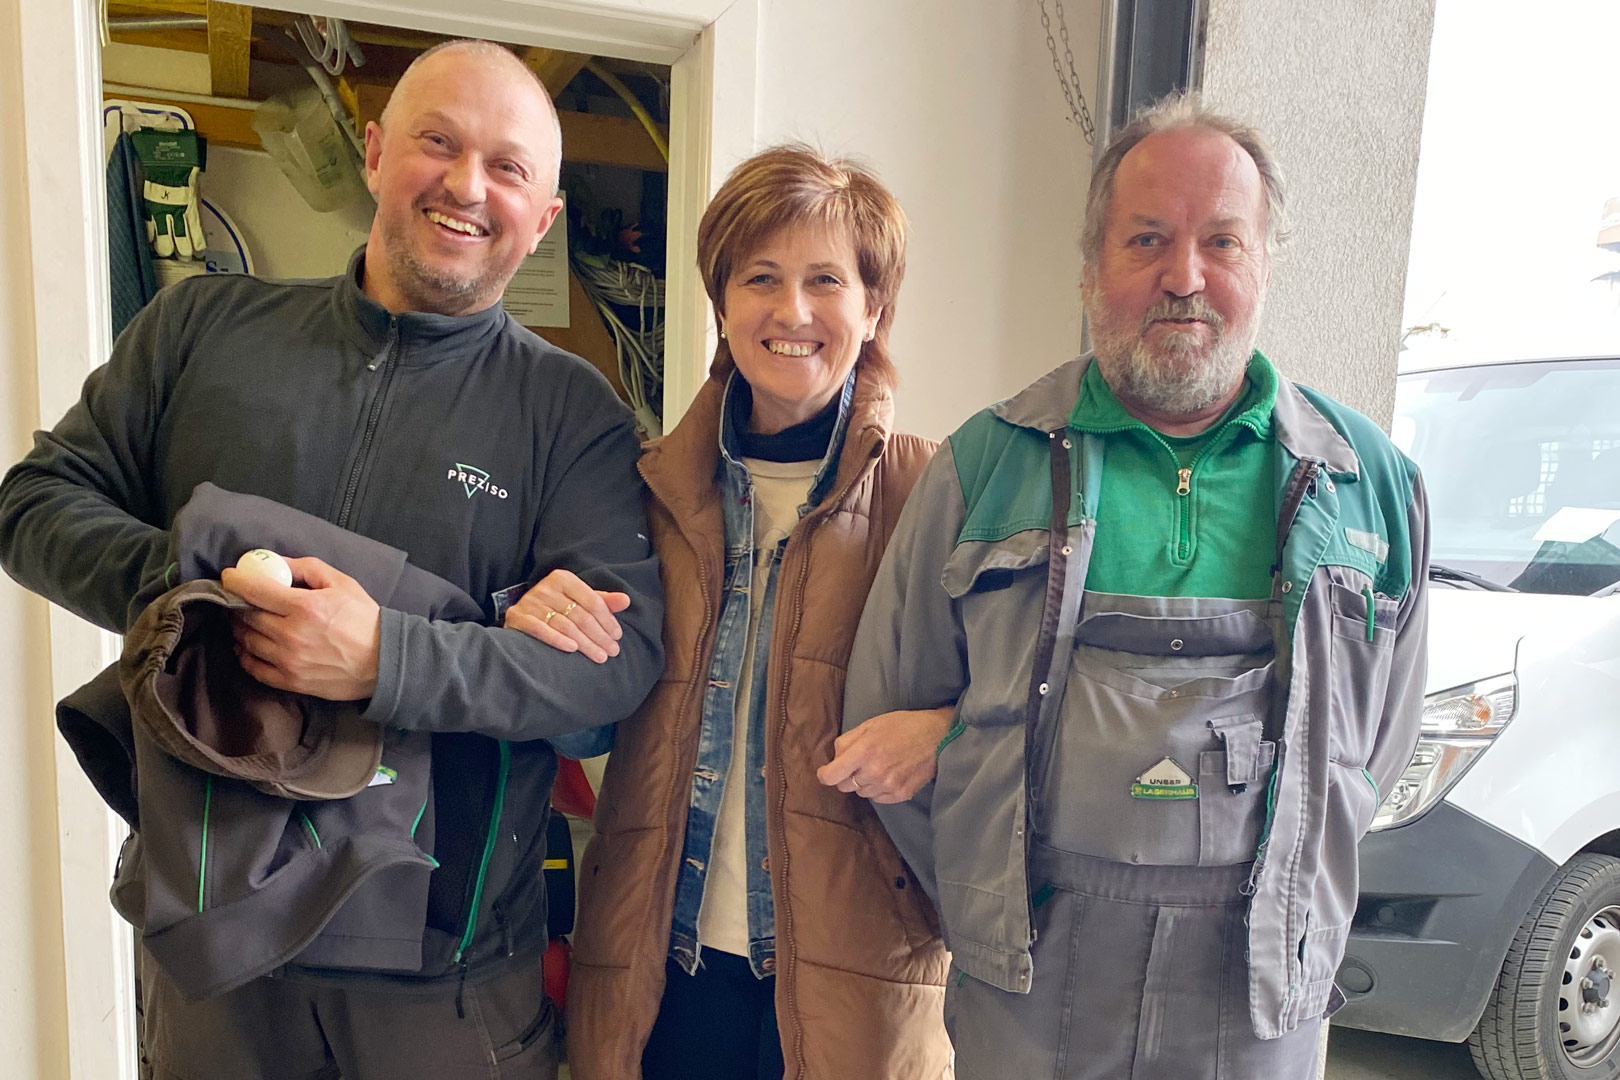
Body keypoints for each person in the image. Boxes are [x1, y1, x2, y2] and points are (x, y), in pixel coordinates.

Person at [0, 40, 663, 1080]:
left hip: (447, 982)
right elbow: (33, 502)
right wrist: (209, 596)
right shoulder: (200, 328)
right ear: (375, 151)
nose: (466, 186)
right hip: (213, 952)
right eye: (438, 142)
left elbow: (611, 673)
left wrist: (386, 656)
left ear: (543, 218)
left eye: (507, 167)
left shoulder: (576, 416)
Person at [844, 93, 1431, 1079]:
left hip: (1259, 988)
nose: (1184, 278)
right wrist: (987, 897)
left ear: (1265, 265)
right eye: (1147, 239)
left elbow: (1374, 749)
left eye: (1222, 242)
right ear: (1090, 268)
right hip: (1030, 986)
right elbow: (890, 732)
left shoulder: (1370, 486)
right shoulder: (985, 466)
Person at [505, 145, 953, 1079]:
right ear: (721, 302)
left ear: (874, 309)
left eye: (826, 280)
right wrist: (536, 624)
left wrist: (947, 731)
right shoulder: (642, 489)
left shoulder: (937, 491)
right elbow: (584, 717)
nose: (792, 311)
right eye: (761, 278)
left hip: (858, 981)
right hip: (662, 971)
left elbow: (1031, 705)